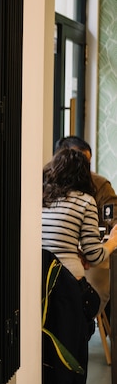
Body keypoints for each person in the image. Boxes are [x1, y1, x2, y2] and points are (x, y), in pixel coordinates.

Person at [42, 148, 117, 384]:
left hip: (40, 283)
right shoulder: (85, 201)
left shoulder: (40, 196)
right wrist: (113, 241)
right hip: (66, 285)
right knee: (82, 324)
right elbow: (95, 256)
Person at [54, 136, 117, 318]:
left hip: (87, 258)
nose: (83, 169)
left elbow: (112, 216)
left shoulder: (99, 186)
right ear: (61, 159)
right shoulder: (43, 186)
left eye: (86, 164)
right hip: (72, 261)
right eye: (78, 162)